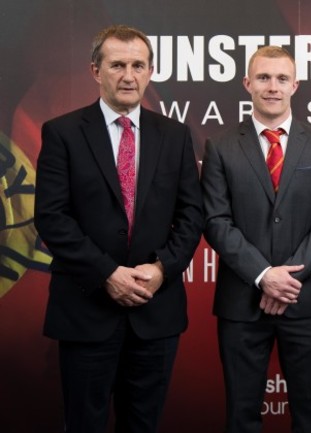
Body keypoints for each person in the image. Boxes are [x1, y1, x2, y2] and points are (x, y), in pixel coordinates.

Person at [34, 25, 204, 433]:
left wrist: (162, 268)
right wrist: (107, 274)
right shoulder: (62, 132)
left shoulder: (176, 135)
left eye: (138, 65)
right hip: (86, 309)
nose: (128, 75)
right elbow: (52, 217)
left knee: (143, 423)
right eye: (117, 65)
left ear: (150, 72)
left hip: (155, 310)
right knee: (84, 423)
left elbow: (192, 213)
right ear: (96, 70)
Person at [201, 46, 311, 433]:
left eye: (282, 78)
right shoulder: (220, 146)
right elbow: (216, 221)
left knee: (310, 417)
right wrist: (264, 275)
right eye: (263, 77)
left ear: (295, 85)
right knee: (242, 416)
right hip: (242, 304)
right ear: (247, 83)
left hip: (305, 301)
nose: (272, 87)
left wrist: (286, 280)